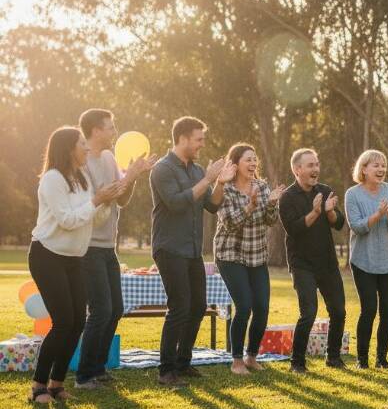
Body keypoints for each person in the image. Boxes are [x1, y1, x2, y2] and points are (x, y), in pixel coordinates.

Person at [28, 127, 124, 403]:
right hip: (47, 256)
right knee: (63, 322)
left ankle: (57, 385)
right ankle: (38, 386)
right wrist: (97, 199)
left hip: (73, 258)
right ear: (69, 148)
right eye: (83, 144)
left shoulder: (81, 178)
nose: (87, 149)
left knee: (78, 321)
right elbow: (68, 220)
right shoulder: (52, 180)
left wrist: (109, 198)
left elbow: (93, 218)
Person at [150, 116, 235, 386]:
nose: (202, 144)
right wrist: (208, 178)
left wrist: (219, 182)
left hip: (192, 249)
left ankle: (183, 362)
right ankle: (166, 370)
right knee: (179, 306)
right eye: (198, 139)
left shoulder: (198, 171)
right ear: (183, 138)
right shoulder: (162, 169)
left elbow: (211, 205)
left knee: (198, 304)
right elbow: (177, 203)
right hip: (169, 247)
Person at [74, 109, 156, 390]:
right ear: (95, 131)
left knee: (116, 308)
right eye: (110, 127)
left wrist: (132, 177)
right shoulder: (81, 161)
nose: (114, 132)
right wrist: (128, 176)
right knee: (100, 309)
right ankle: (84, 375)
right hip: (88, 247)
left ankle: (98, 369)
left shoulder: (109, 158)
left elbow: (120, 200)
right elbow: (100, 199)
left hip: (108, 246)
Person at [213, 143, 285, 375]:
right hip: (230, 253)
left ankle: (251, 356)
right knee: (244, 305)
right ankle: (236, 361)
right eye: (248, 160)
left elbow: (270, 221)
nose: (253, 164)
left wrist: (272, 203)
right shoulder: (226, 189)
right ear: (235, 164)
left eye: (255, 160)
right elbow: (230, 223)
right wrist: (250, 206)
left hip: (256, 254)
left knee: (262, 307)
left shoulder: (262, 187)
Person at [279, 148, 346, 373]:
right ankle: (297, 362)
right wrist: (316, 212)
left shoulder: (325, 190)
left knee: (338, 311)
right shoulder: (287, 197)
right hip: (302, 264)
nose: (315, 169)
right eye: (310, 165)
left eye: (317, 164)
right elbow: (294, 229)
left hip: (327, 262)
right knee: (308, 313)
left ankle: (333, 357)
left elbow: (338, 223)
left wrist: (328, 212)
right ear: (297, 170)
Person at [344, 150, 388, 370]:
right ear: (364, 169)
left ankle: (382, 358)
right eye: (375, 165)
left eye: (383, 165)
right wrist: (378, 215)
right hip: (363, 261)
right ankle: (362, 359)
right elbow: (357, 227)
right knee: (369, 309)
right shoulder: (353, 194)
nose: (381, 169)